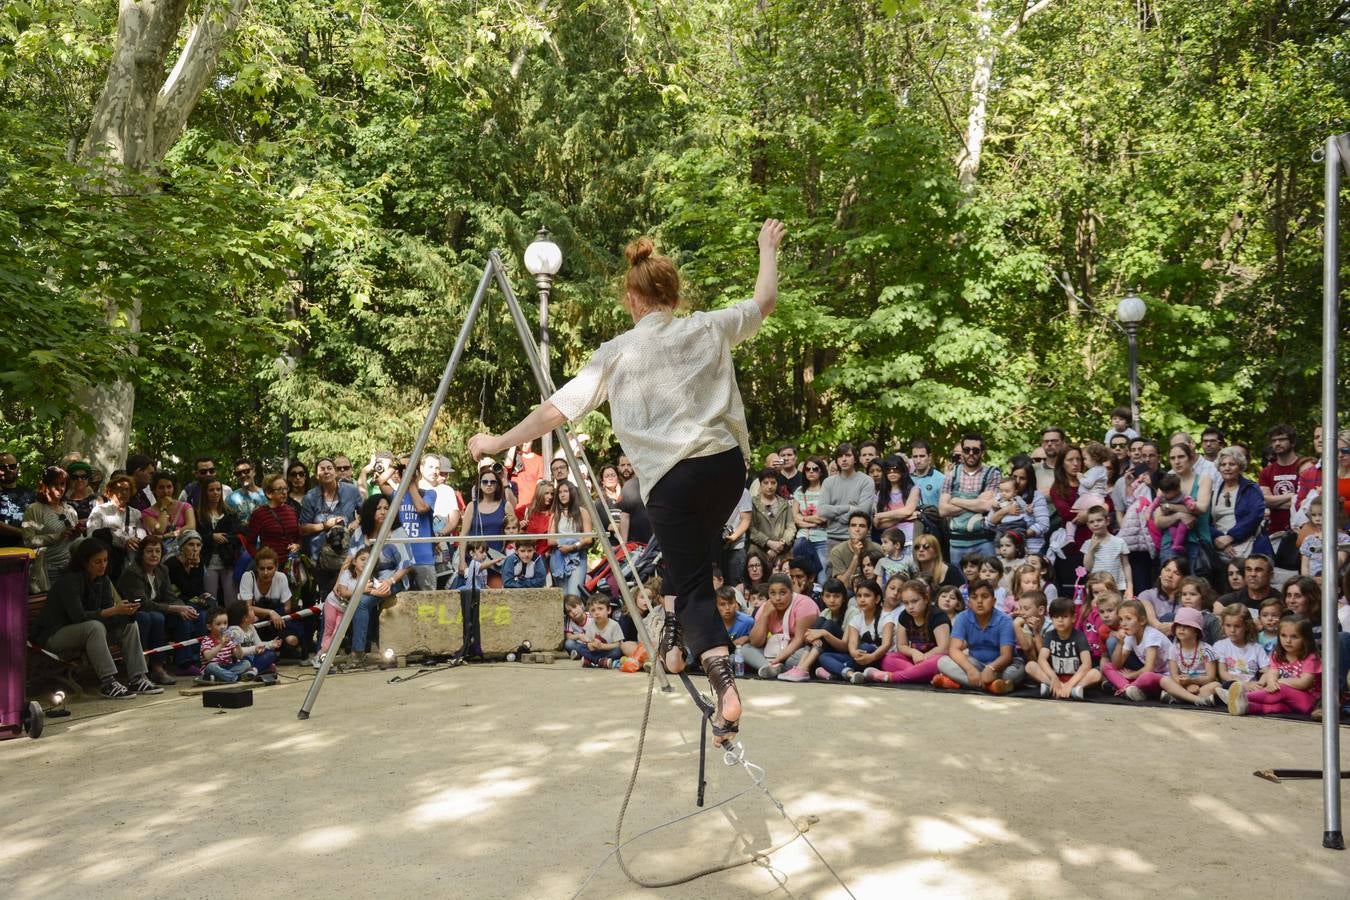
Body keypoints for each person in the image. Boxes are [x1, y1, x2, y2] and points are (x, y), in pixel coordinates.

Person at [468, 220, 785, 744]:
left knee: (691, 588)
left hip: (670, 482)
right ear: (674, 295)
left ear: (633, 299)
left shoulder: (617, 352)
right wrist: (765, 248)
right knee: (693, 554)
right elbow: (765, 300)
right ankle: (679, 643)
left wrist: (496, 442)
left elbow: (555, 411)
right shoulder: (708, 326)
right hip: (726, 469)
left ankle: (725, 691)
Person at [28, 538, 160, 699]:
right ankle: (108, 682)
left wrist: (124, 613)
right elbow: (79, 617)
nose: (103, 565)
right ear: (85, 562)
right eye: (97, 561)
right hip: (54, 635)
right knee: (94, 626)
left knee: (129, 625)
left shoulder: (102, 579)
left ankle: (137, 678)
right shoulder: (69, 581)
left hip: (88, 631)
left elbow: (107, 612)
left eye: (105, 560)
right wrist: (113, 611)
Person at [117, 535, 200, 684]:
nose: (154, 555)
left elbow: (169, 596)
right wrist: (174, 608)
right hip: (132, 613)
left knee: (185, 614)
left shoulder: (162, 569)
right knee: (155, 617)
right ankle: (155, 668)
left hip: (157, 611)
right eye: (149, 551)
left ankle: (183, 663)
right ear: (141, 553)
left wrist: (183, 607)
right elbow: (143, 604)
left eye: (157, 551)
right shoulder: (132, 572)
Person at [933, 579, 1021, 693]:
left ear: (994, 601)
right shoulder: (962, 617)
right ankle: (991, 686)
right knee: (942, 662)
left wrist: (991, 669)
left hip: (1001, 665)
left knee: (1015, 673)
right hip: (976, 662)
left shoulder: (1005, 620)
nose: (979, 601)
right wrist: (970, 670)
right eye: (974, 597)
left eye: (984, 597)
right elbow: (954, 649)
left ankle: (957, 683)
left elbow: (1006, 656)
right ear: (969, 602)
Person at [1226, 614, 1320, 717]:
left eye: (1294, 636)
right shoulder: (1277, 654)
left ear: (1305, 638)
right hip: (1287, 703)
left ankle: (1239, 697)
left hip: (1309, 702)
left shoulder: (1310, 657)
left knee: (1281, 689)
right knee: (1276, 706)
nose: (1288, 641)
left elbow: (1304, 682)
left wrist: (1279, 682)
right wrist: (1271, 682)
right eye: (1283, 635)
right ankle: (1244, 706)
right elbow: (1272, 671)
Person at [865, 579, 951, 684]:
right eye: (906, 603)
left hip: (934, 659)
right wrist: (914, 652)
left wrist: (924, 657)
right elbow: (901, 645)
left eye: (914, 601)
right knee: (887, 658)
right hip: (915, 660)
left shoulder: (938, 616)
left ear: (926, 598)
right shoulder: (904, 616)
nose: (910, 607)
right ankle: (919, 675)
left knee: (938, 660)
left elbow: (944, 648)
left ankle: (891, 677)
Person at [939, 433, 1000, 565]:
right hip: (956, 542)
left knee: (988, 581)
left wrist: (955, 500)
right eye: (967, 450)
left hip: (984, 540)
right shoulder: (952, 474)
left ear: (982, 452)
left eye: (976, 450)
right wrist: (976, 502)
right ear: (962, 452)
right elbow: (943, 510)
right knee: (960, 584)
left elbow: (986, 507)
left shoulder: (992, 473)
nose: (971, 453)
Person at [813, 578, 889, 683]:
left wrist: (871, 657)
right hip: (858, 659)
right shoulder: (856, 618)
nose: (862, 599)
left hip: (877, 657)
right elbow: (852, 644)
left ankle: (835, 670)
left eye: (867, 596)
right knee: (824, 656)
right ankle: (850, 674)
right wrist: (854, 653)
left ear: (877, 599)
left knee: (867, 647)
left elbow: (886, 645)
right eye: (859, 596)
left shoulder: (886, 618)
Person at [1027, 596, 1102, 699]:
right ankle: (1058, 687)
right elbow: (1042, 659)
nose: (1060, 620)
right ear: (1051, 618)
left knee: (1096, 674)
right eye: (1056, 617)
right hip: (1055, 676)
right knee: (1030, 666)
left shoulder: (1079, 636)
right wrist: (1053, 678)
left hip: (1076, 677)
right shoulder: (1050, 635)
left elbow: (1086, 664)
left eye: (1065, 616)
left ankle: (1064, 688)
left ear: (1073, 618)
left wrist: (1070, 684)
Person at [1211, 445, 1274, 563]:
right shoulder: (1214, 491)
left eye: (1232, 464)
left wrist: (1231, 537)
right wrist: (1218, 538)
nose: (1227, 468)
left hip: (1246, 546)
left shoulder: (1251, 488)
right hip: (1218, 547)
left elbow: (1255, 516)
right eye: (1223, 465)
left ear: (1240, 467)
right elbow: (1206, 520)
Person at [1102, 598, 1171, 701]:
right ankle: (1130, 690)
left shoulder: (1151, 635)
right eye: (1120, 619)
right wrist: (1120, 643)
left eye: (1128, 619)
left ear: (1142, 620)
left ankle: (1126, 688)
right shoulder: (1130, 635)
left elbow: (1149, 669)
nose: (1123, 624)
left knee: (1147, 676)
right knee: (1107, 667)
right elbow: (1117, 665)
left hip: (1167, 677)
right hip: (1152, 675)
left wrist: (1131, 675)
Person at [23, 466, 78, 583]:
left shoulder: (70, 510)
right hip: (45, 571)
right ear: (45, 486)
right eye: (55, 484)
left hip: (70, 569)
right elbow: (29, 541)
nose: (60, 488)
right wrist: (58, 536)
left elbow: (75, 543)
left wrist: (77, 535)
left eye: (62, 484)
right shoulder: (33, 510)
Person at [86, 472, 146, 580]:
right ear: (110, 491)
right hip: (107, 563)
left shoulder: (136, 513)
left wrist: (136, 541)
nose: (124, 492)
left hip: (130, 562)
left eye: (127, 489)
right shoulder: (100, 510)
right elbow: (92, 535)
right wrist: (121, 539)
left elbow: (142, 535)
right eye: (120, 489)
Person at [816, 443, 875, 551]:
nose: (843, 459)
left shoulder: (866, 481)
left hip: (860, 539)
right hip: (833, 538)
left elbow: (864, 511)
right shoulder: (828, 482)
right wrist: (848, 508)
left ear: (855, 459)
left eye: (848, 455)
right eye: (840, 456)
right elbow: (822, 511)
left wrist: (836, 515)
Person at [1158, 607, 1220, 706]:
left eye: (1186, 626)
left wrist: (1192, 681)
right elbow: (1174, 675)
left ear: (1196, 631)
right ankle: (1199, 700)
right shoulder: (1173, 649)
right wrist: (1187, 685)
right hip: (1182, 685)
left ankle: (1180, 698)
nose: (1181, 629)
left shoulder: (1206, 650)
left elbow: (1211, 677)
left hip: (1202, 685)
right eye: (1178, 626)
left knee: (1215, 686)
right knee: (1164, 681)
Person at [194, 477, 241, 604]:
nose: (215, 493)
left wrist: (225, 538)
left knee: (231, 599)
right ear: (205, 492)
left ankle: (233, 623)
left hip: (227, 560)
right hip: (207, 561)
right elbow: (195, 536)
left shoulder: (231, 513)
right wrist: (211, 537)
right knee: (210, 599)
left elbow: (239, 537)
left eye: (218, 489)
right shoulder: (198, 514)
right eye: (211, 490)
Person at [1213, 601, 1269, 700]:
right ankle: (1235, 698)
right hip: (1231, 684)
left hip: (1252, 686)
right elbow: (1223, 673)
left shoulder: (1257, 648)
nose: (1232, 630)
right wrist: (1243, 684)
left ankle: (1244, 700)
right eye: (1228, 625)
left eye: (1237, 626)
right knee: (1223, 686)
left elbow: (1266, 671)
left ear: (1246, 626)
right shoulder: (1220, 646)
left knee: (1265, 691)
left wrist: (1259, 684)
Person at [791, 455, 831, 582]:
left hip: (822, 539)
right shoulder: (799, 491)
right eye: (808, 469)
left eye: (815, 469)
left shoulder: (827, 491)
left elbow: (825, 518)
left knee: (823, 576)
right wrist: (814, 522)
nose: (811, 472)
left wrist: (805, 518)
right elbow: (795, 517)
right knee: (802, 577)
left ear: (821, 471)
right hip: (803, 539)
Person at [246, 474, 302, 561]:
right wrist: (260, 560)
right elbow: (249, 543)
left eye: (285, 488)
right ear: (269, 493)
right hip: (269, 568)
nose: (284, 492)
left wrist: (297, 545)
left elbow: (298, 537)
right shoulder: (259, 514)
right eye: (279, 489)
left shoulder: (292, 511)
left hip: (291, 564)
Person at [141, 471, 196, 557]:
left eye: (169, 487)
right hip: (160, 555)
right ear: (154, 490)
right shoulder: (147, 513)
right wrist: (164, 507)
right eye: (161, 487)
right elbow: (159, 531)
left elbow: (191, 527)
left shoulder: (185, 507)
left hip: (184, 553)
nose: (166, 491)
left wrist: (168, 535)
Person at [1259, 424, 1301, 536]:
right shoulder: (1266, 472)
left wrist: (1274, 502)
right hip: (1275, 531)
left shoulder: (1304, 466)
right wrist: (1293, 495)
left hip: (1301, 530)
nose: (1277, 443)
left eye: (1282, 439)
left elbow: (1306, 502)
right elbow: (1264, 501)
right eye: (1274, 440)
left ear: (1292, 442)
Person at [748, 467, 796, 564]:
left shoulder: (784, 504)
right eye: (766, 483)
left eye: (773, 482)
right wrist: (768, 543)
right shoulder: (752, 503)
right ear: (760, 484)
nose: (770, 486)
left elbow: (791, 527)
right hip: (759, 549)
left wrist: (781, 544)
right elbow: (751, 529)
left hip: (782, 549)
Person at [1083, 506, 1132, 598]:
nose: (1095, 524)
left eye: (1099, 520)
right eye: (1091, 522)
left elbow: (1126, 565)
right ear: (1088, 525)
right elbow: (1088, 567)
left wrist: (1130, 587)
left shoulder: (1119, 542)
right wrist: (1091, 549)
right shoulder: (1087, 543)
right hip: (1096, 589)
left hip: (1117, 587)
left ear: (1107, 521)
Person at [225, 599, 282, 677]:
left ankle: (254, 670)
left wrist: (271, 644)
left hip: (253, 658)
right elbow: (237, 653)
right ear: (245, 618)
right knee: (251, 662)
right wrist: (254, 649)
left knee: (271, 654)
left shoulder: (251, 627)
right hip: (241, 660)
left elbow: (259, 644)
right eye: (251, 610)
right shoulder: (234, 631)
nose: (254, 611)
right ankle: (257, 669)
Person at [198, 607, 251, 683]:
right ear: (209, 627)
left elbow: (239, 656)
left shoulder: (228, 640)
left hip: (226, 668)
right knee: (211, 666)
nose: (223, 627)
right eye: (218, 624)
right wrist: (221, 645)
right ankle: (234, 677)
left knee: (246, 663)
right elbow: (208, 657)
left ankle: (222, 677)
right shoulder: (206, 640)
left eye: (225, 623)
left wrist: (237, 643)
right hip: (212, 669)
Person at [578, 596, 628, 669]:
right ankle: (600, 662)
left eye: (600, 609)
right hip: (596, 651)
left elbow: (618, 644)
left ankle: (592, 661)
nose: (597, 613)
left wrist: (602, 646)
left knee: (618, 651)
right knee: (580, 647)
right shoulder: (590, 624)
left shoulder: (614, 625)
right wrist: (590, 645)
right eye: (593, 610)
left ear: (608, 610)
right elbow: (588, 642)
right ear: (590, 613)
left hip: (608, 651)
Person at [0, 452, 35, 549]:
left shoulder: (30, 493)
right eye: (3, 467)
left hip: (27, 551)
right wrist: (23, 533)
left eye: (12, 466)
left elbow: (39, 520)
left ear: (18, 468)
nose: (8, 470)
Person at [63, 460, 98, 534]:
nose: (79, 480)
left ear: (88, 479)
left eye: (83, 477)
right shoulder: (63, 501)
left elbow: (100, 521)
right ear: (69, 480)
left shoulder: (96, 500)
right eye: (75, 477)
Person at [226, 458, 266, 522]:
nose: (243, 475)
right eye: (239, 473)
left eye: (246, 471)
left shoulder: (266, 494)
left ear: (254, 472)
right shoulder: (230, 499)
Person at [1034, 427, 1065, 492]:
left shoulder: (1071, 469)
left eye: (1054, 441)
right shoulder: (1033, 470)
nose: (1049, 444)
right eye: (1046, 441)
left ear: (1063, 443)